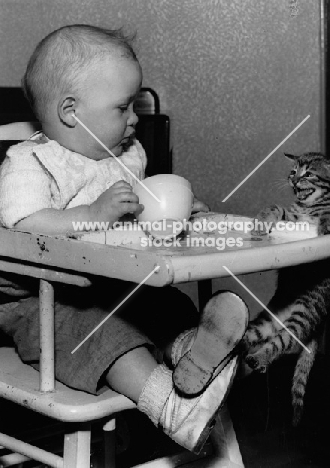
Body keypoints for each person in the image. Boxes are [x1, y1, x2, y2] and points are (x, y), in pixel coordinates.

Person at [0, 24, 249, 454]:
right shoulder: (31, 163)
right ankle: (171, 408)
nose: (134, 118)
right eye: (123, 107)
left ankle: (193, 358)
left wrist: (177, 211)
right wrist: (91, 215)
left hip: (109, 287)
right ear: (71, 112)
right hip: (41, 302)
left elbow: (143, 211)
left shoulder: (124, 157)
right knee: (106, 330)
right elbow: (21, 226)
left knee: (168, 305)